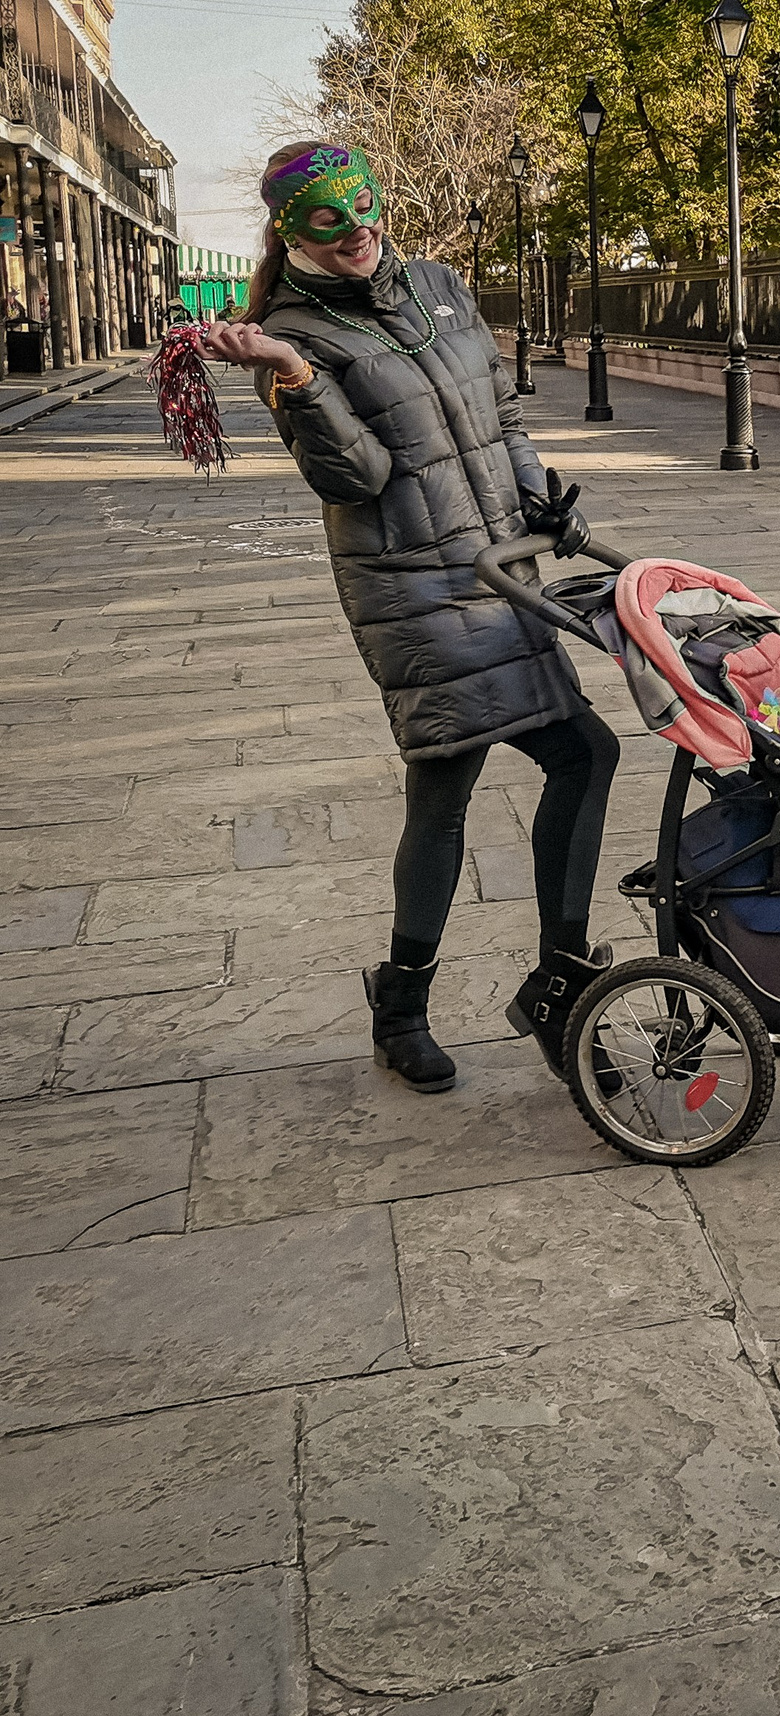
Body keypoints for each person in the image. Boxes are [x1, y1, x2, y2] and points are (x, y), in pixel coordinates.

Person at [193, 141, 619, 1095]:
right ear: (290, 229)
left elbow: (496, 415)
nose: (356, 233)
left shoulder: (437, 285)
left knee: (580, 755)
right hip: (413, 589)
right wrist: (293, 376)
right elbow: (357, 478)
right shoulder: (287, 335)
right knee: (453, 779)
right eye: (327, 221)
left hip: (499, 573)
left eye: (364, 208)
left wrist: (542, 500)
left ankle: (550, 982)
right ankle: (413, 1006)